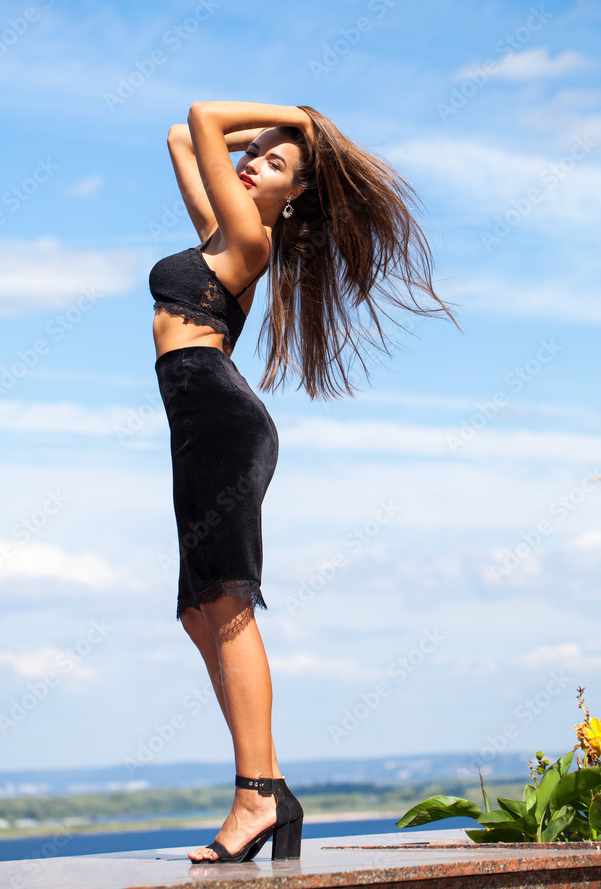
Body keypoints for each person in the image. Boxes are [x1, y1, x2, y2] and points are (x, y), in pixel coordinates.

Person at [148, 101, 460, 864]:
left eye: (274, 164)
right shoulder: (222, 232)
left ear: (293, 198)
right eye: (250, 154)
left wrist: (299, 118)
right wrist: (285, 138)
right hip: (195, 420)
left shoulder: (251, 235)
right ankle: (268, 791)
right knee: (199, 613)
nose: (251, 161)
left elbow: (201, 114)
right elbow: (181, 136)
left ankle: (258, 791)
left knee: (225, 603)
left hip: (218, 419)